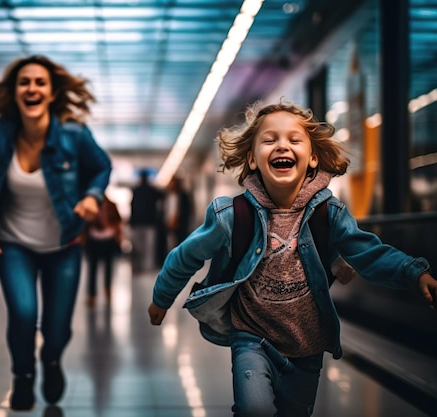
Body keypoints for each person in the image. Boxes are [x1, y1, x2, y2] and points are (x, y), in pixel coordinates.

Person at [147, 99, 437, 417]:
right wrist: (162, 298)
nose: (282, 145)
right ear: (253, 159)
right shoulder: (232, 215)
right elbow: (185, 255)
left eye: (293, 140)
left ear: (312, 157)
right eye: (270, 140)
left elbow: (369, 252)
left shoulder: (330, 214)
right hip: (251, 336)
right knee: (254, 409)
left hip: (306, 344)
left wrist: (414, 273)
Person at [0, 55, 112, 411]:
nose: (31, 88)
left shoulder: (73, 134)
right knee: (22, 312)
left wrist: (92, 197)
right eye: (24, 82)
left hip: (63, 245)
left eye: (40, 82)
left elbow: (101, 167)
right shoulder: (1, 133)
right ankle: (22, 374)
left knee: (57, 327)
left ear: (51, 93)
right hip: (13, 244)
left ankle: (50, 360)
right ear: (15, 92)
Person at [82, 196, 123, 307]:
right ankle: (92, 295)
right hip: (93, 239)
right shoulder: (91, 205)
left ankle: (107, 290)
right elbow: (85, 223)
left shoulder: (111, 205)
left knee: (108, 267)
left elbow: (118, 221)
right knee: (92, 269)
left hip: (108, 239)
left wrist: (117, 235)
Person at [129, 169, 161, 272]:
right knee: (146, 247)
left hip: (144, 222)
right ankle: (145, 266)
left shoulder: (139, 191)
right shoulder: (151, 191)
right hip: (147, 222)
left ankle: (143, 265)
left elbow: (132, 206)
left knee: (144, 246)